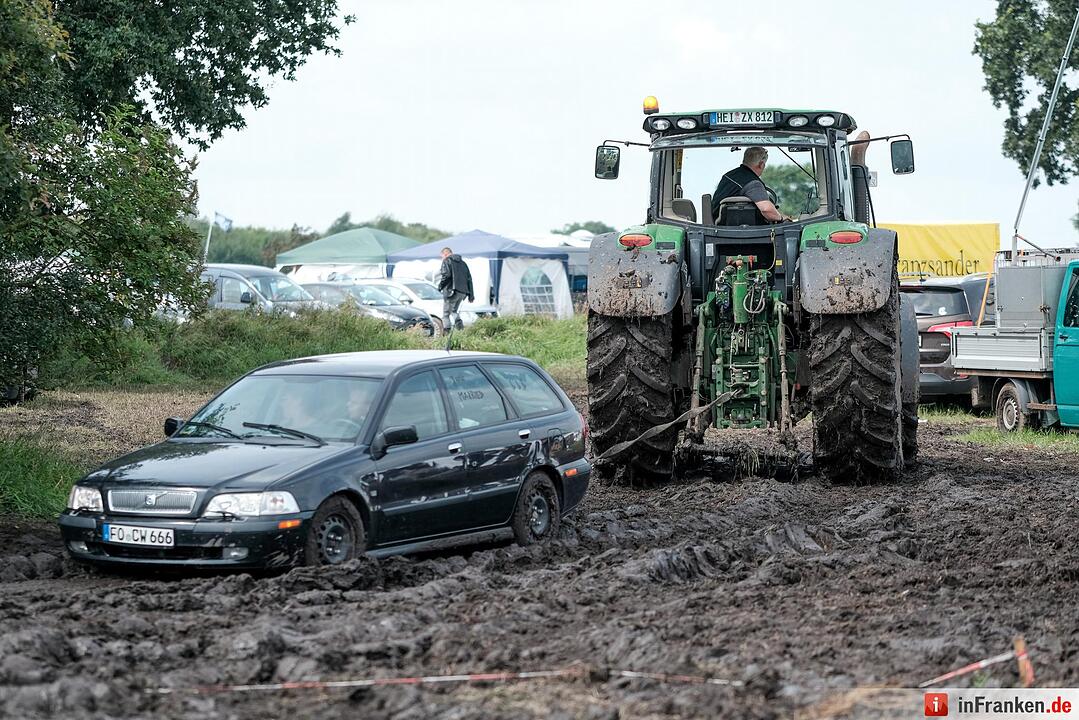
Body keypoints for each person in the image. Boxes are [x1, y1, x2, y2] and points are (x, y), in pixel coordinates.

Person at [710, 146, 794, 224]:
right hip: (750, 233)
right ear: (761, 164)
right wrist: (781, 218)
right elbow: (767, 210)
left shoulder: (728, 176)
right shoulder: (752, 183)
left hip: (718, 227)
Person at [437, 247, 474, 332]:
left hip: (451, 292)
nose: (442, 258)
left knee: (445, 315)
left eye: (442, 256)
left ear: (445, 254)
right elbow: (469, 279)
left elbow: (446, 275)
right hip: (462, 292)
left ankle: (446, 336)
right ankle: (461, 331)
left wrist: (440, 287)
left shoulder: (446, 261)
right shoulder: (463, 263)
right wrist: (471, 295)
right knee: (454, 312)